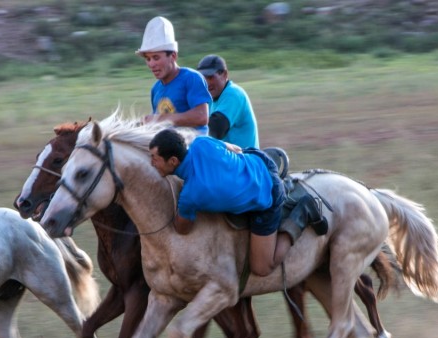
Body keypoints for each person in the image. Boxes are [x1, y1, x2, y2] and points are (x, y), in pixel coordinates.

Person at [148, 129, 327, 277]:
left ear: (173, 161)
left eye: (155, 159)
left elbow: (181, 228)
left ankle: (302, 212)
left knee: (262, 268)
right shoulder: (201, 143)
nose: (151, 163)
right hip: (260, 158)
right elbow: (235, 149)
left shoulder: (190, 196)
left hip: (270, 194)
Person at [136, 16, 212, 134]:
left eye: (156, 58)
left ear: (173, 56)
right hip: (168, 147)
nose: (151, 64)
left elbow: (201, 117)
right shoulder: (156, 89)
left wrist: (159, 119)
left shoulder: (191, 78)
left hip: (194, 145)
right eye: (148, 58)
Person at [197, 54, 260, 149]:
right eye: (203, 78)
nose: (207, 83)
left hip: (245, 159)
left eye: (210, 77)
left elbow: (216, 129)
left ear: (225, 74)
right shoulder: (209, 98)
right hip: (229, 158)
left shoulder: (233, 94)